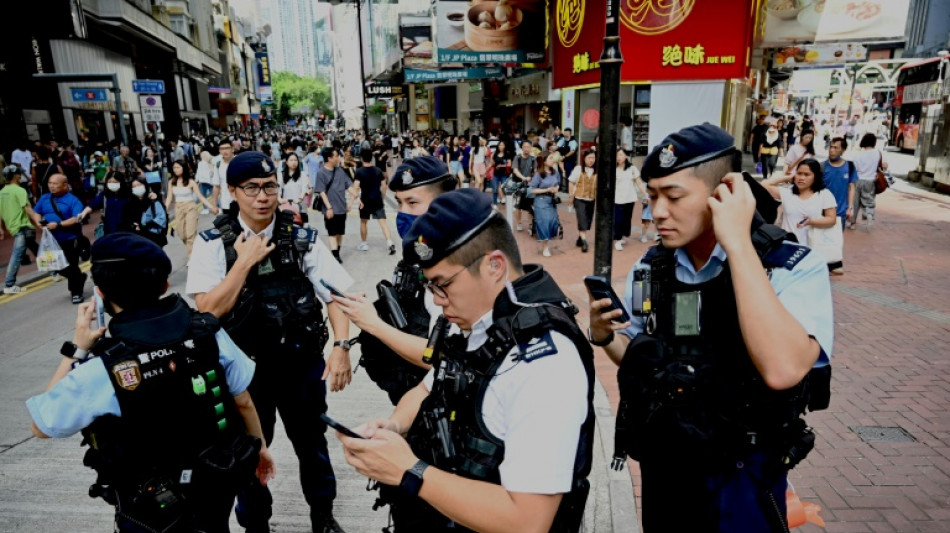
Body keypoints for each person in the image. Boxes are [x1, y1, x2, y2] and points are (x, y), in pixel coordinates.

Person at [587, 123, 832, 532]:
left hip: (742, 477)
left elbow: (783, 369)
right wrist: (606, 336)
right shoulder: (653, 267)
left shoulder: (788, 266)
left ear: (725, 194)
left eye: (674, 196)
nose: (657, 212)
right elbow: (643, 357)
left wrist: (736, 241)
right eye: (652, 197)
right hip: (667, 470)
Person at [337, 188, 594, 533]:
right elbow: (430, 385)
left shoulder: (543, 364)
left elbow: (529, 521)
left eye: (443, 285)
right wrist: (394, 427)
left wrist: (409, 471)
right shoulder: (481, 322)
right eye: (431, 288)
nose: (438, 301)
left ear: (494, 266)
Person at [26, 232, 275, 533]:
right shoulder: (207, 332)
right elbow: (243, 401)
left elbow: (42, 427)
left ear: (101, 294)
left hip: (148, 508)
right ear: (166, 285)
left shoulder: (101, 368)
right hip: (214, 484)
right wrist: (260, 449)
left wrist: (77, 349)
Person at [186, 150, 353, 533]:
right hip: (245, 373)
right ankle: (256, 524)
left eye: (270, 186)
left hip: (300, 363)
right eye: (252, 188)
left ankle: (322, 516)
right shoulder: (214, 243)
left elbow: (337, 297)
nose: (263, 196)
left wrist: (341, 348)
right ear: (232, 191)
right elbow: (208, 309)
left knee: (312, 442)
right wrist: (243, 263)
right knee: (247, 453)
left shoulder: (299, 238)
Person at [335, 156, 458, 405]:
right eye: (400, 203)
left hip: (441, 401)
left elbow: (441, 356)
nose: (403, 213)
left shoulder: (453, 263)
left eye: (412, 203)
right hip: (414, 396)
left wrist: (373, 324)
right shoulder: (420, 251)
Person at [34, 174, 88, 303]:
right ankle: (79, 278)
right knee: (55, 266)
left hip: (70, 238)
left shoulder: (73, 200)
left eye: (55, 183)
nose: (51, 186)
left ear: (65, 185)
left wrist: (58, 225)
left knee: (72, 265)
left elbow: (76, 218)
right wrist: (38, 223)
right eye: (50, 183)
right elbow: (37, 212)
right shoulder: (45, 198)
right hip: (51, 241)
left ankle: (76, 293)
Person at [762, 158, 838, 247]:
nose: (801, 178)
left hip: (811, 247)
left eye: (807, 174)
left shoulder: (824, 194)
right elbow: (764, 185)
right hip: (786, 245)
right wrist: (787, 177)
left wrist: (811, 221)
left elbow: (832, 220)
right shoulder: (787, 193)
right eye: (799, 173)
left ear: (816, 176)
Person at [0, 166, 41, 293]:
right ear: (15, 176)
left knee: (38, 250)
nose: (20, 176)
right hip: (22, 226)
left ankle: (55, 271)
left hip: (12, 226)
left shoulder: (2, 192)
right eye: (19, 174)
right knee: (17, 255)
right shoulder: (19, 190)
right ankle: (9, 284)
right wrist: (38, 222)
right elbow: (27, 209)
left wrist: (1, 228)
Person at [166, 160, 218, 257]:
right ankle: (196, 247)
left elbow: (200, 196)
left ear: (183, 168)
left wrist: (211, 207)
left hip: (190, 207)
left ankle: (191, 258)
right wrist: (164, 210)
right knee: (181, 234)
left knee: (190, 234)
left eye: (178, 167)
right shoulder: (171, 182)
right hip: (178, 208)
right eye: (174, 168)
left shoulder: (191, 182)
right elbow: (169, 197)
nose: (175, 170)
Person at [822, 137, 858, 272]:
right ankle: (822, 263)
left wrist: (850, 207)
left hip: (841, 211)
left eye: (836, 147)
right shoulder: (822, 166)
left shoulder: (849, 166)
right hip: (823, 211)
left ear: (843, 150)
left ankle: (835, 263)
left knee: (836, 239)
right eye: (831, 147)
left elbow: (851, 187)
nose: (832, 150)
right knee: (821, 237)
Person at [315, 146, 356, 263]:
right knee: (332, 232)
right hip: (330, 209)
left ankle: (336, 251)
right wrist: (329, 208)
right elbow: (322, 192)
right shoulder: (321, 173)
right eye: (337, 156)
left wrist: (355, 198)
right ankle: (335, 255)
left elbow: (349, 186)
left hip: (342, 208)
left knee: (339, 232)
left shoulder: (340, 171)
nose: (339, 158)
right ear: (329, 158)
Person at [351, 148, 395, 254]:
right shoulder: (378, 170)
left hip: (365, 200)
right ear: (371, 158)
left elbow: (356, 187)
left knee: (363, 222)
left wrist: (356, 199)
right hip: (377, 199)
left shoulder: (359, 171)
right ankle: (389, 242)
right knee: (383, 222)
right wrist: (382, 198)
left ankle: (364, 244)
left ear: (361, 159)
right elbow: (384, 186)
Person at [613, 148, 647, 251]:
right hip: (618, 199)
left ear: (626, 156)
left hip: (629, 198)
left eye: (621, 155)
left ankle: (623, 236)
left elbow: (639, 182)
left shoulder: (632, 168)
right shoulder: (613, 168)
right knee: (618, 220)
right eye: (617, 155)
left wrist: (645, 194)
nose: (619, 157)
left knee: (626, 220)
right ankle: (618, 240)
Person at [850, 132, 887, 230]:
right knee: (869, 201)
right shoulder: (878, 153)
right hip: (870, 181)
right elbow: (885, 166)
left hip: (857, 180)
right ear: (874, 142)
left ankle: (852, 223)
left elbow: (854, 168)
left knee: (855, 202)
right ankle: (869, 215)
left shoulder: (858, 155)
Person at [529, 151, 562, 257]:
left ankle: (546, 241)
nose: (553, 160)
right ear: (544, 161)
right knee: (544, 223)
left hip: (551, 200)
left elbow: (558, 184)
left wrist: (555, 189)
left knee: (553, 222)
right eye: (551, 158)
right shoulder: (538, 174)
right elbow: (532, 190)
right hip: (541, 201)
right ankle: (545, 247)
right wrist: (546, 189)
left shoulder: (555, 172)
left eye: (553, 158)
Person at [568, 149, 596, 253]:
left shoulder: (596, 170)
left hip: (591, 199)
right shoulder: (578, 169)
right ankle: (584, 242)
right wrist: (571, 196)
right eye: (589, 158)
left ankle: (580, 239)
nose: (591, 160)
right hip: (579, 198)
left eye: (593, 158)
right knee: (582, 219)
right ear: (584, 159)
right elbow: (571, 182)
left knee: (587, 222)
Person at [129, 177, 168, 247]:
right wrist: (134, 226)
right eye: (134, 187)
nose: (137, 188)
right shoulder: (130, 203)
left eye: (139, 185)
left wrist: (143, 225)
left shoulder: (153, 200)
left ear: (145, 185)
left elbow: (161, 219)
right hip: (138, 239)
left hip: (154, 238)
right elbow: (128, 219)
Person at [511, 141, 537, 232]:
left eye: (528, 147)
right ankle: (519, 223)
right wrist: (523, 178)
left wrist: (532, 178)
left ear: (531, 148)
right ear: (522, 148)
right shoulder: (517, 158)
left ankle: (530, 224)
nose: (526, 148)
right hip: (518, 184)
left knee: (530, 206)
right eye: (525, 147)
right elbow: (515, 170)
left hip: (529, 185)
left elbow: (535, 171)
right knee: (518, 205)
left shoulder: (533, 159)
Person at [211, 138, 236, 211]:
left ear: (232, 149)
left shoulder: (239, 162)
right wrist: (214, 205)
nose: (224, 151)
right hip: (225, 203)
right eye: (222, 149)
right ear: (219, 151)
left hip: (241, 203)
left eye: (227, 148)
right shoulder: (218, 165)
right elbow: (216, 186)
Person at [491, 140, 510, 206]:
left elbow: (509, 164)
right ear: (498, 146)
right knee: (495, 190)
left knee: (504, 189)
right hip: (495, 174)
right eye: (500, 145)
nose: (501, 146)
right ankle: (495, 204)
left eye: (502, 145)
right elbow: (492, 163)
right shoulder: (494, 153)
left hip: (504, 174)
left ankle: (507, 200)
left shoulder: (507, 154)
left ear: (505, 146)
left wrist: (501, 166)